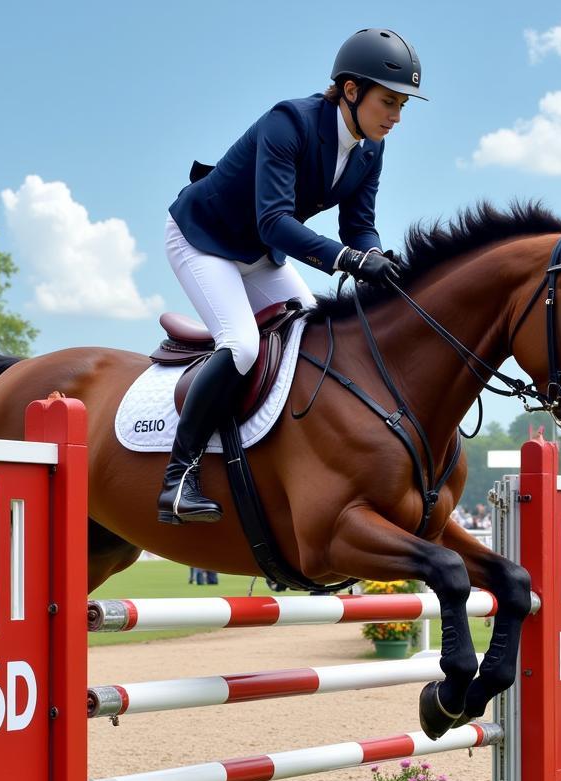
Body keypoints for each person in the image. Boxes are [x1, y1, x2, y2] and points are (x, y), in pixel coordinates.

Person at [158, 28, 426, 525]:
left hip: (258, 254)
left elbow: (358, 225)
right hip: (202, 238)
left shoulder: (370, 149)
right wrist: (349, 260)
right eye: (389, 101)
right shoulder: (291, 122)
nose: (396, 116)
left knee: (312, 333)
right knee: (241, 345)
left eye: (403, 105)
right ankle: (179, 478)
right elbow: (275, 223)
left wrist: (376, 260)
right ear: (351, 90)